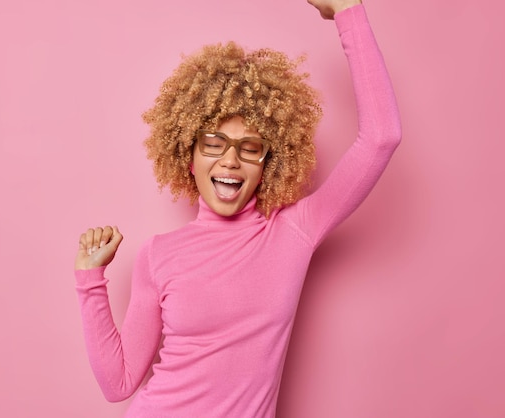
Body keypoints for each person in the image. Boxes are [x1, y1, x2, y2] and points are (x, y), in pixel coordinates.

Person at [74, 0, 401, 416]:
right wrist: (89, 279)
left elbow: (381, 138)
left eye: (250, 148)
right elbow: (119, 383)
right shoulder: (157, 256)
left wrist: (347, 11)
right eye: (213, 143)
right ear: (188, 156)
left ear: (269, 164)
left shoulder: (293, 232)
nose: (230, 160)